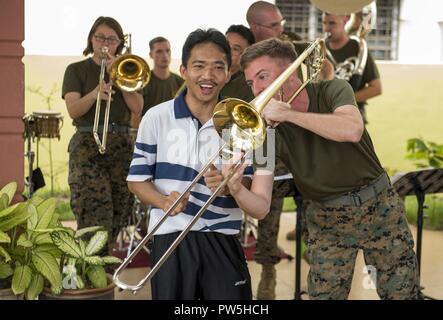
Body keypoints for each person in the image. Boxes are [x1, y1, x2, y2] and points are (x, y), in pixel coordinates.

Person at [241, 37, 423, 300]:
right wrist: (236, 188)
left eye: (262, 77)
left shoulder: (332, 90)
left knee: (402, 295)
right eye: (251, 82)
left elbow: (351, 129)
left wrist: (289, 114)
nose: (256, 89)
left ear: (290, 72)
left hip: (379, 206)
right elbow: (261, 204)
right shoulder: (266, 132)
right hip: (326, 217)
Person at [126, 28, 273, 300]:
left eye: (218, 67)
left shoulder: (248, 123)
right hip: (170, 236)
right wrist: (162, 201)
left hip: (223, 237)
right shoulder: (155, 117)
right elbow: (136, 179)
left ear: (229, 73)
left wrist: (232, 187)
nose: (208, 76)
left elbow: (256, 195)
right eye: (199, 66)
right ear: (183, 70)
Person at [62, 16, 143, 255]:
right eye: (100, 37)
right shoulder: (76, 70)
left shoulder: (126, 70)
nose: (105, 43)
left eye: (111, 38)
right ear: (91, 39)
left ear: (120, 43)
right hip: (88, 145)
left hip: (121, 145)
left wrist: (117, 75)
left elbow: (138, 107)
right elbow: (73, 110)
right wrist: (96, 93)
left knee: (120, 209)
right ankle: (90, 268)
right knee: (94, 212)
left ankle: (102, 266)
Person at [322, 12, 382, 124]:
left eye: (332, 23)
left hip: (353, 117)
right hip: (325, 117)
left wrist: (344, 99)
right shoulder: (320, 49)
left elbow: (376, 88)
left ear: (346, 19)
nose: (326, 29)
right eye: (324, 23)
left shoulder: (358, 48)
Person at [131, 36, 184, 128]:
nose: (165, 55)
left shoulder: (180, 82)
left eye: (167, 51)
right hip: (149, 133)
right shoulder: (143, 81)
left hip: (174, 133)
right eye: (159, 51)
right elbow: (135, 116)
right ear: (151, 54)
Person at [221, 24, 255, 102]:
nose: (227, 51)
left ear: (246, 55)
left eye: (235, 49)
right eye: (226, 44)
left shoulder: (248, 88)